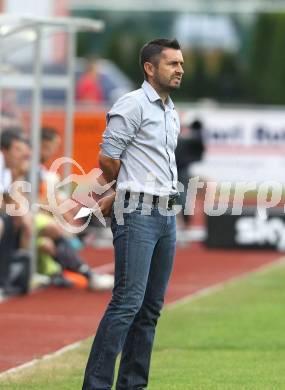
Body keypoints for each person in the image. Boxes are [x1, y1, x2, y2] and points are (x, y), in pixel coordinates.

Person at [82, 38, 184, 390]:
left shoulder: (170, 110)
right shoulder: (133, 103)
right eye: (172, 63)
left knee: (150, 310)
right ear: (149, 68)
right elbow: (107, 158)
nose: (180, 69)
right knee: (127, 303)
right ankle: (95, 386)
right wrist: (123, 188)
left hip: (166, 215)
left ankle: (132, 385)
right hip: (138, 211)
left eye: (181, 63)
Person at [175, 119, 205, 228]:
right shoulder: (180, 139)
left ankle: (185, 223)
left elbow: (199, 151)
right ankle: (182, 223)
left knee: (182, 197)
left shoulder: (186, 139)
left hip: (180, 171)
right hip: (173, 171)